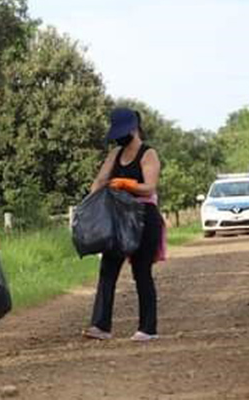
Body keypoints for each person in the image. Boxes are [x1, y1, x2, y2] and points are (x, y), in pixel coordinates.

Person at [84, 107, 165, 342]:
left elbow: (149, 187)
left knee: (142, 272)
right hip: (118, 218)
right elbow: (99, 181)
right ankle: (100, 326)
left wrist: (126, 184)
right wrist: (92, 200)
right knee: (108, 270)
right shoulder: (115, 154)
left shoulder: (148, 154)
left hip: (143, 217)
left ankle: (147, 329)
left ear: (134, 128)